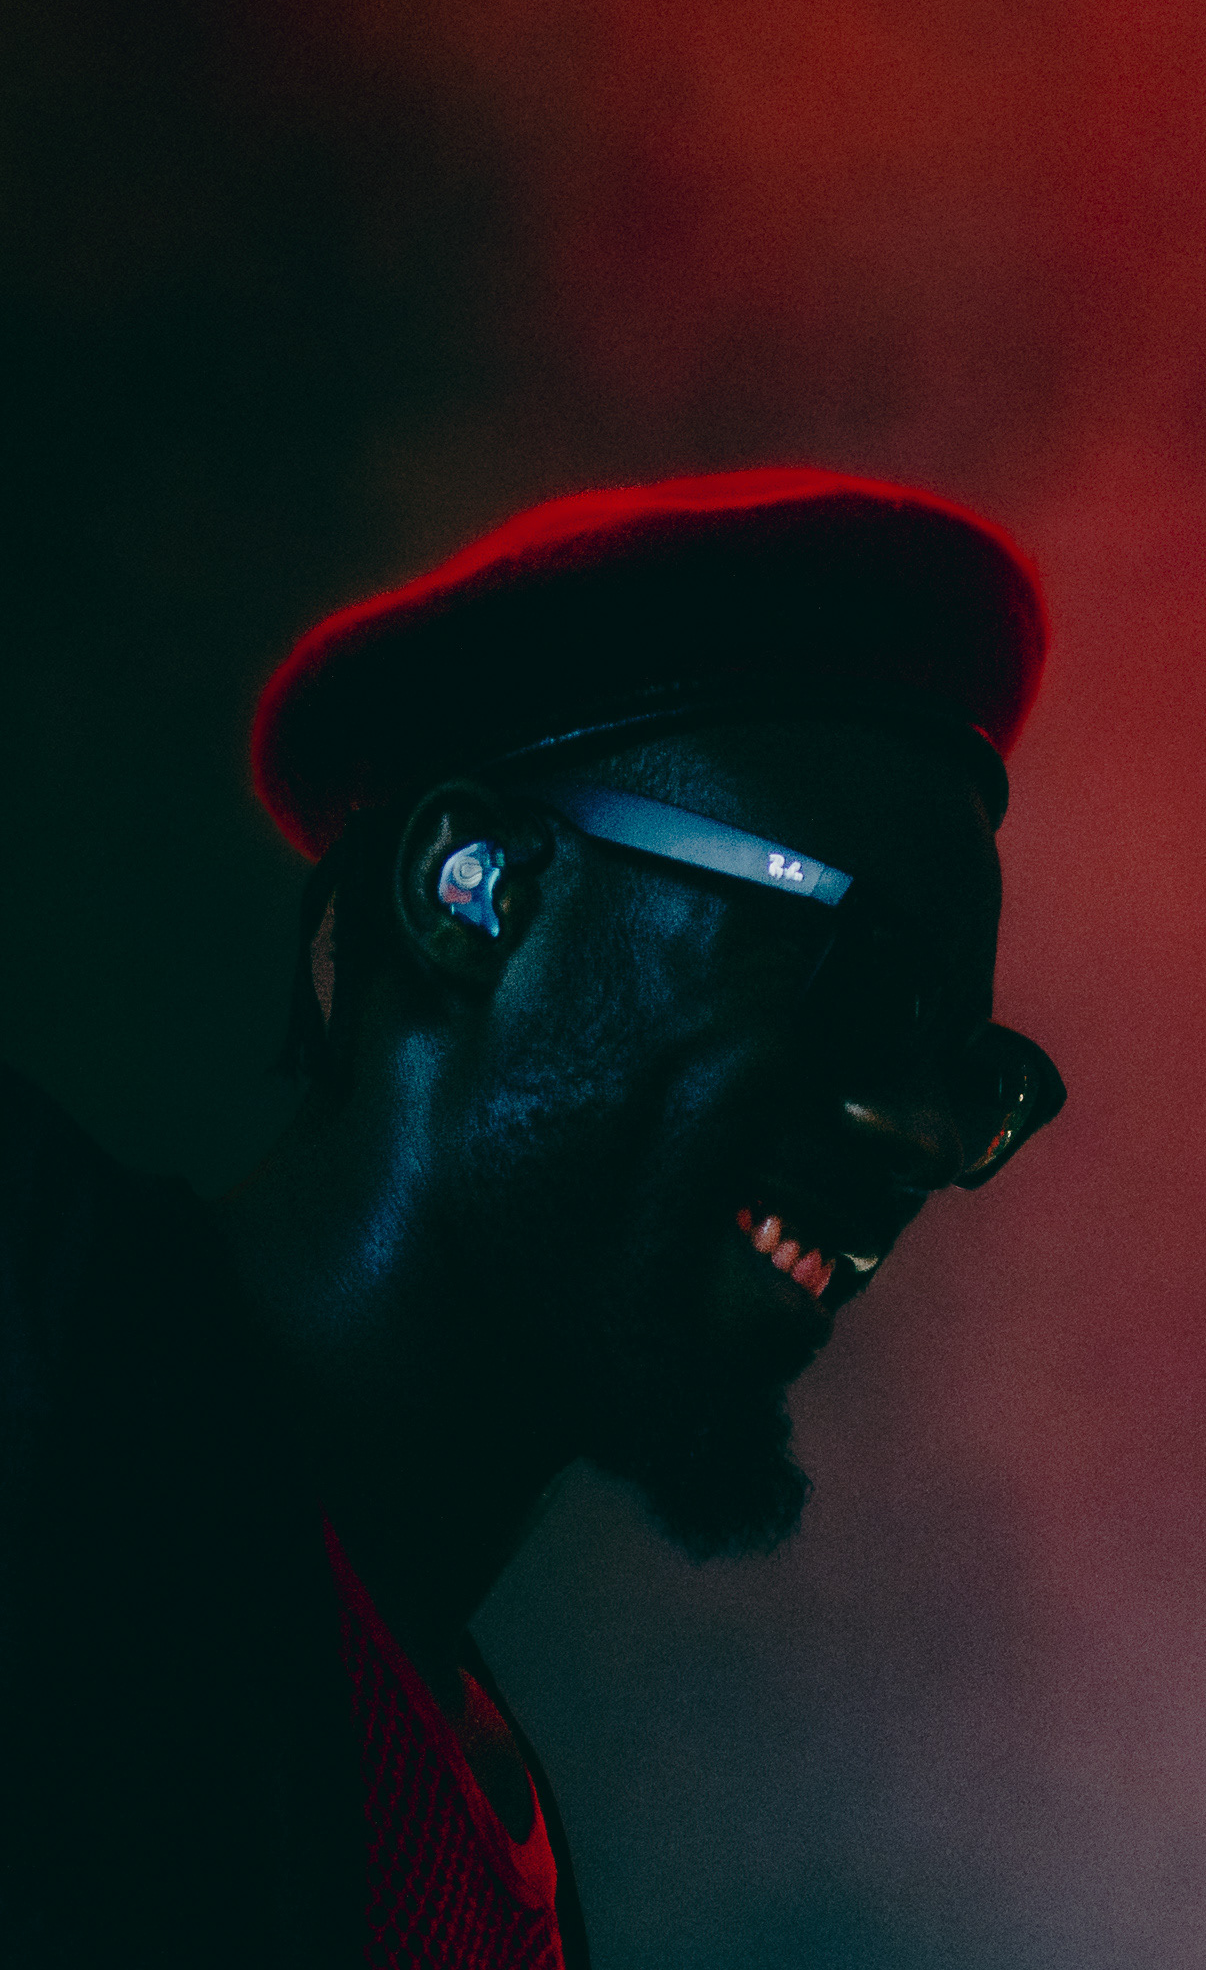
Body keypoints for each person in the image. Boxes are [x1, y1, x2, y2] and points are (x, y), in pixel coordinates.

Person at [0, 468, 1066, 1969]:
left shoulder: (489, 1834)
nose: (925, 1140)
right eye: (856, 979)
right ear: (473, 887)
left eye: (969, 1074)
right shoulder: (41, 1381)